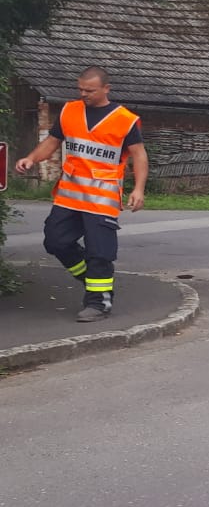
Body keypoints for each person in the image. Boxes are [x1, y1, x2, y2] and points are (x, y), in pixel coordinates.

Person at [12, 66, 149, 322]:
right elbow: (52, 142)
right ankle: (91, 278)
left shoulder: (124, 119)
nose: (83, 94)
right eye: (80, 90)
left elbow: (139, 155)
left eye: (90, 90)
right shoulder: (69, 111)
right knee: (55, 241)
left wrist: (138, 189)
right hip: (70, 195)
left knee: (100, 252)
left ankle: (98, 303)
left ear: (106, 89)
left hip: (102, 197)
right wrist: (31, 158)